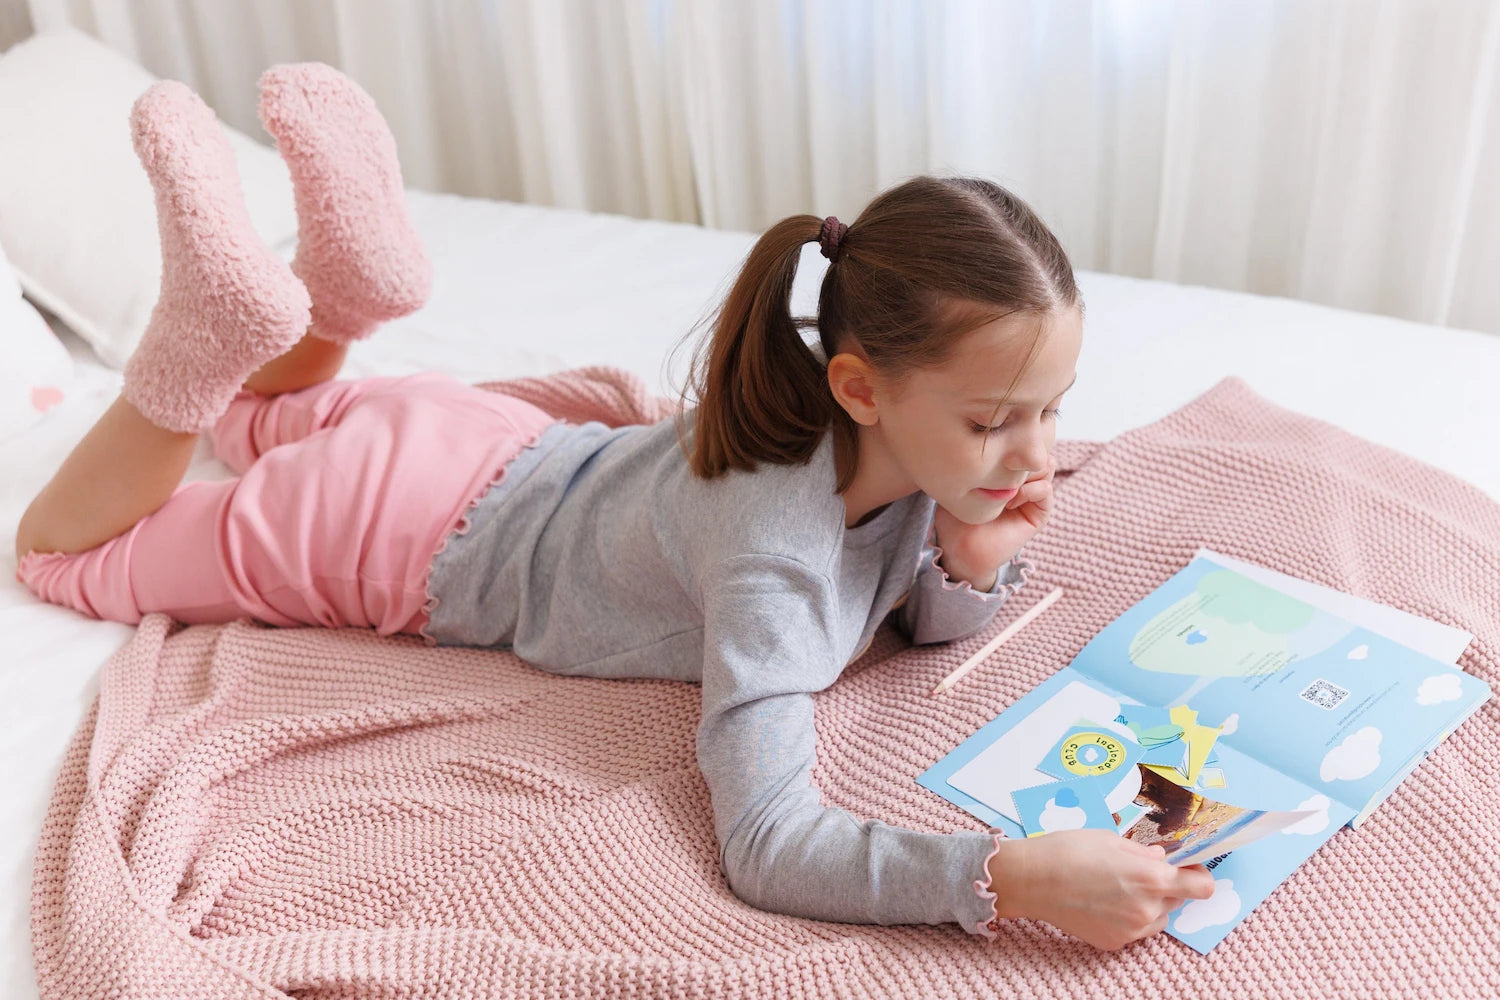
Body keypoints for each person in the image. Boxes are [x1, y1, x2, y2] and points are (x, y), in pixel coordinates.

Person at [12, 63, 1215, 952]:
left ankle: (333, 301)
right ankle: (187, 354)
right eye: (997, 420)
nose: (1037, 452)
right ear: (862, 386)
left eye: (1053, 409)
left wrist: (968, 550)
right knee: (64, 552)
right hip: (397, 529)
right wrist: (1006, 877)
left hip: (483, 436)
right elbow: (769, 845)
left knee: (265, 417)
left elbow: (915, 615)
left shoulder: (853, 423)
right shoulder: (772, 565)